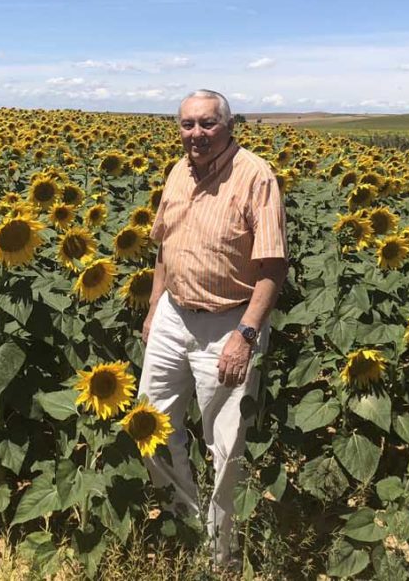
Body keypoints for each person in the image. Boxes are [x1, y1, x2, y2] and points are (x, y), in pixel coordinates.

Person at [141, 89, 288, 566]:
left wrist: (244, 336)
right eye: (187, 124)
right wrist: (152, 309)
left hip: (229, 323)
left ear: (229, 125)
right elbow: (164, 247)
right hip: (173, 313)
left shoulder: (255, 177)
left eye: (207, 124)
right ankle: (183, 523)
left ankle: (219, 558)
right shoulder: (177, 172)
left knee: (225, 449)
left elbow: (272, 266)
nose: (196, 134)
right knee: (151, 426)